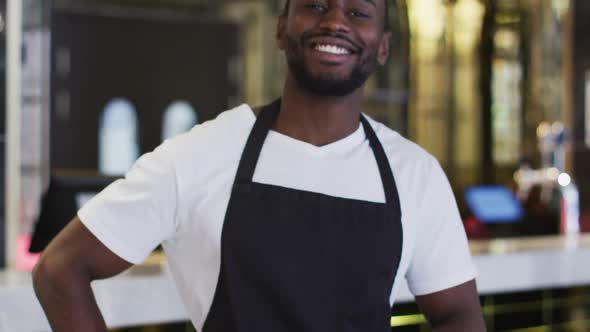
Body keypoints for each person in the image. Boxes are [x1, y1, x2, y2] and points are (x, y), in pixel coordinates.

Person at [33, 0, 486, 331]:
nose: (334, 22)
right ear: (281, 28)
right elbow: (60, 269)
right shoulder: (200, 155)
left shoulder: (414, 174)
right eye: (316, 6)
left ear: (382, 47)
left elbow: (458, 314)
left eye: (358, 13)